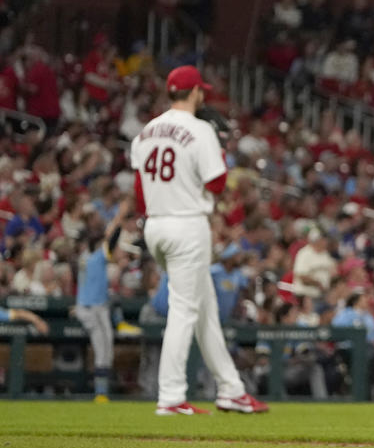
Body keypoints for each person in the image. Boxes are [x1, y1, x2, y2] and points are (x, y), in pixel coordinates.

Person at [130, 65, 268, 416]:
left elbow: (139, 192)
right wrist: (218, 150)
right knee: (185, 310)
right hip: (187, 226)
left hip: (156, 225)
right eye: (201, 90)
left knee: (203, 305)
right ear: (195, 93)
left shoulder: (146, 130)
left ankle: (231, 389)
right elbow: (217, 184)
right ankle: (172, 397)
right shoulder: (200, 128)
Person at [74, 198, 130, 403]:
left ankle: (101, 392)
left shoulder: (85, 257)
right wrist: (120, 217)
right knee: (103, 350)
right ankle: (100, 393)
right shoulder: (95, 257)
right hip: (93, 308)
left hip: (91, 306)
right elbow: (112, 239)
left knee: (105, 349)